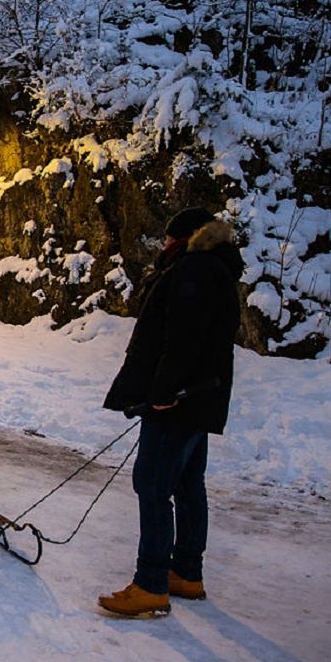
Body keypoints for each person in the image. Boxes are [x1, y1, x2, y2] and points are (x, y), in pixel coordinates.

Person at [98, 207, 244, 617]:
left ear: (183, 238)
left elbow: (183, 338)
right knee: (186, 484)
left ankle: (150, 583)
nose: (162, 244)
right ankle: (186, 572)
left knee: (153, 484)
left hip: (178, 401)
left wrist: (163, 392)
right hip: (200, 399)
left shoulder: (193, 270)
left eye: (167, 237)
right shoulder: (215, 268)